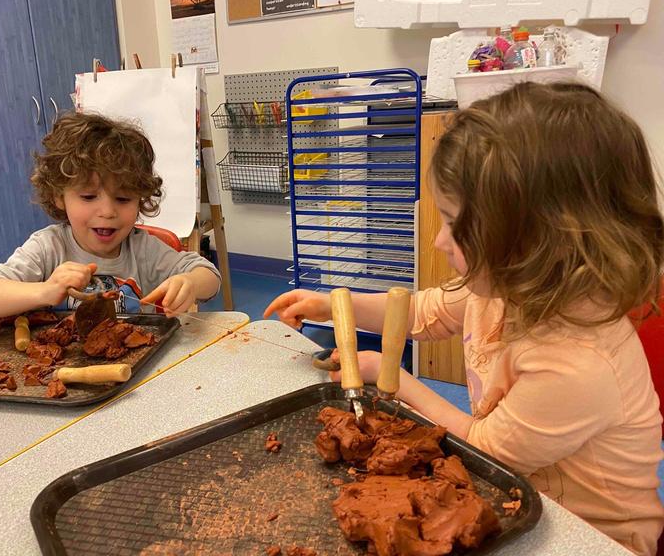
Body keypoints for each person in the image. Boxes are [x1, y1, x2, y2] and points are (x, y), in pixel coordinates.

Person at [264, 82, 664, 555]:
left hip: (593, 537)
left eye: (455, 223)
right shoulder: (505, 287)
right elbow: (419, 312)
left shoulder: (578, 361)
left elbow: (486, 451)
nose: (439, 241)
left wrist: (395, 380)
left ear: (534, 240)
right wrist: (336, 305)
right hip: (522, 497)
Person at [0, 112, 220, 318]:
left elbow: (209, 276)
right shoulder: (48, 247)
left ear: (140, 200)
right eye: (88, 197)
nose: (107, 212)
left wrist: (190, 283)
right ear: (59, 196)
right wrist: (45, 291)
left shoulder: (143, 250)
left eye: (123, 199)